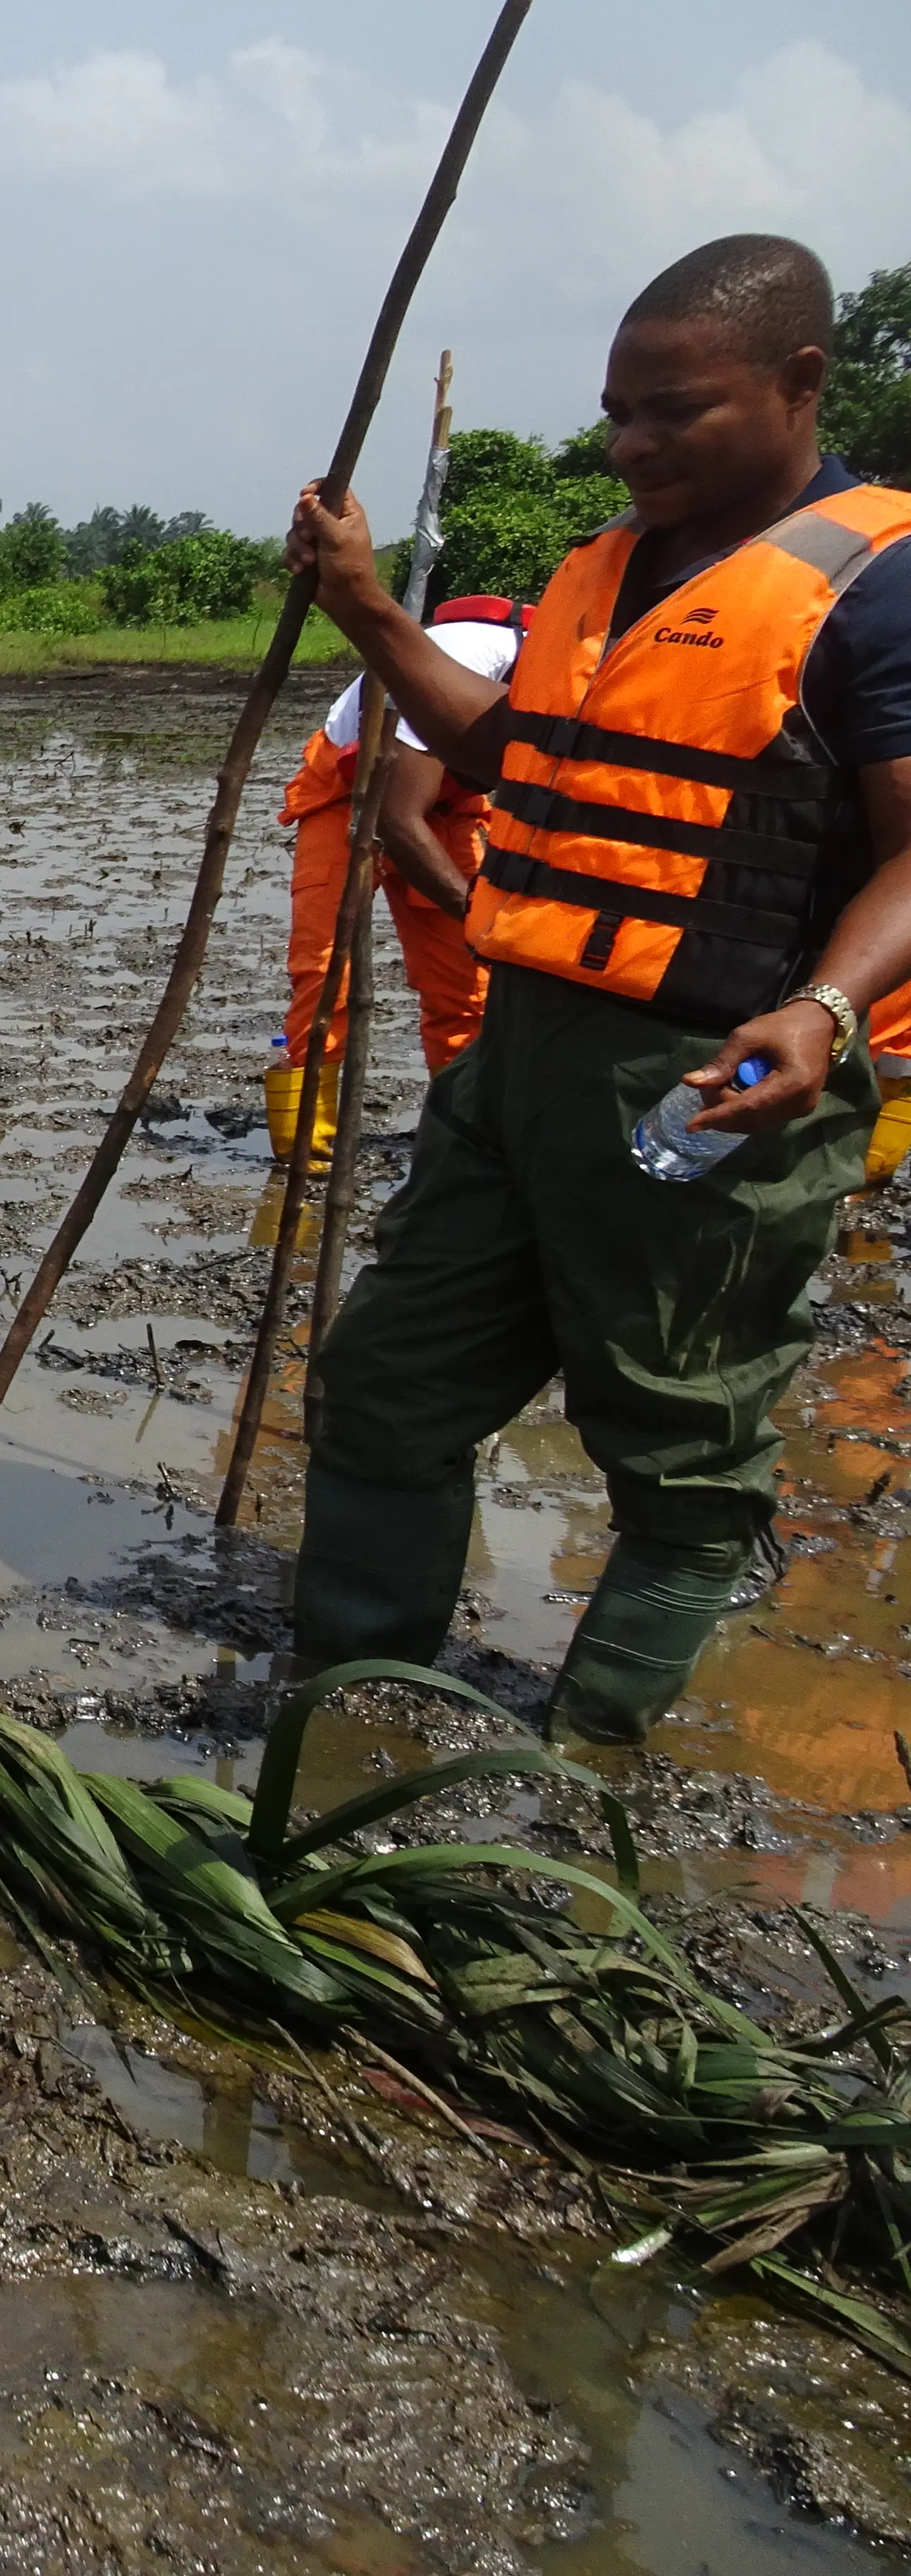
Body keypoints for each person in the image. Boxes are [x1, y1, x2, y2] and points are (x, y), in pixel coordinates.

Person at [285, 233, 911, 1743]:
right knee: (386, 1385)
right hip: (523, 1056)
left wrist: (825, 1010)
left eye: (673, 413)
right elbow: (524, 762)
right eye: (617, 415)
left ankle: (590, 1763)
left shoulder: (880, 585)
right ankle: (360, 1716)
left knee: (679, 1450)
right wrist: (368, 610)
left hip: (710, 1082)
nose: (632, 447)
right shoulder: (602, 567)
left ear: (798, 382)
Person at [264, 598, 521, 1158]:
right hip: (349, 794)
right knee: (325, 966)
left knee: (466, 983)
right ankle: (306, 1142)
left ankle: (465, 1134)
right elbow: (397, 819)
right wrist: (477, 911)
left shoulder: (570, 685)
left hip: (449, 803)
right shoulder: (466, 656)